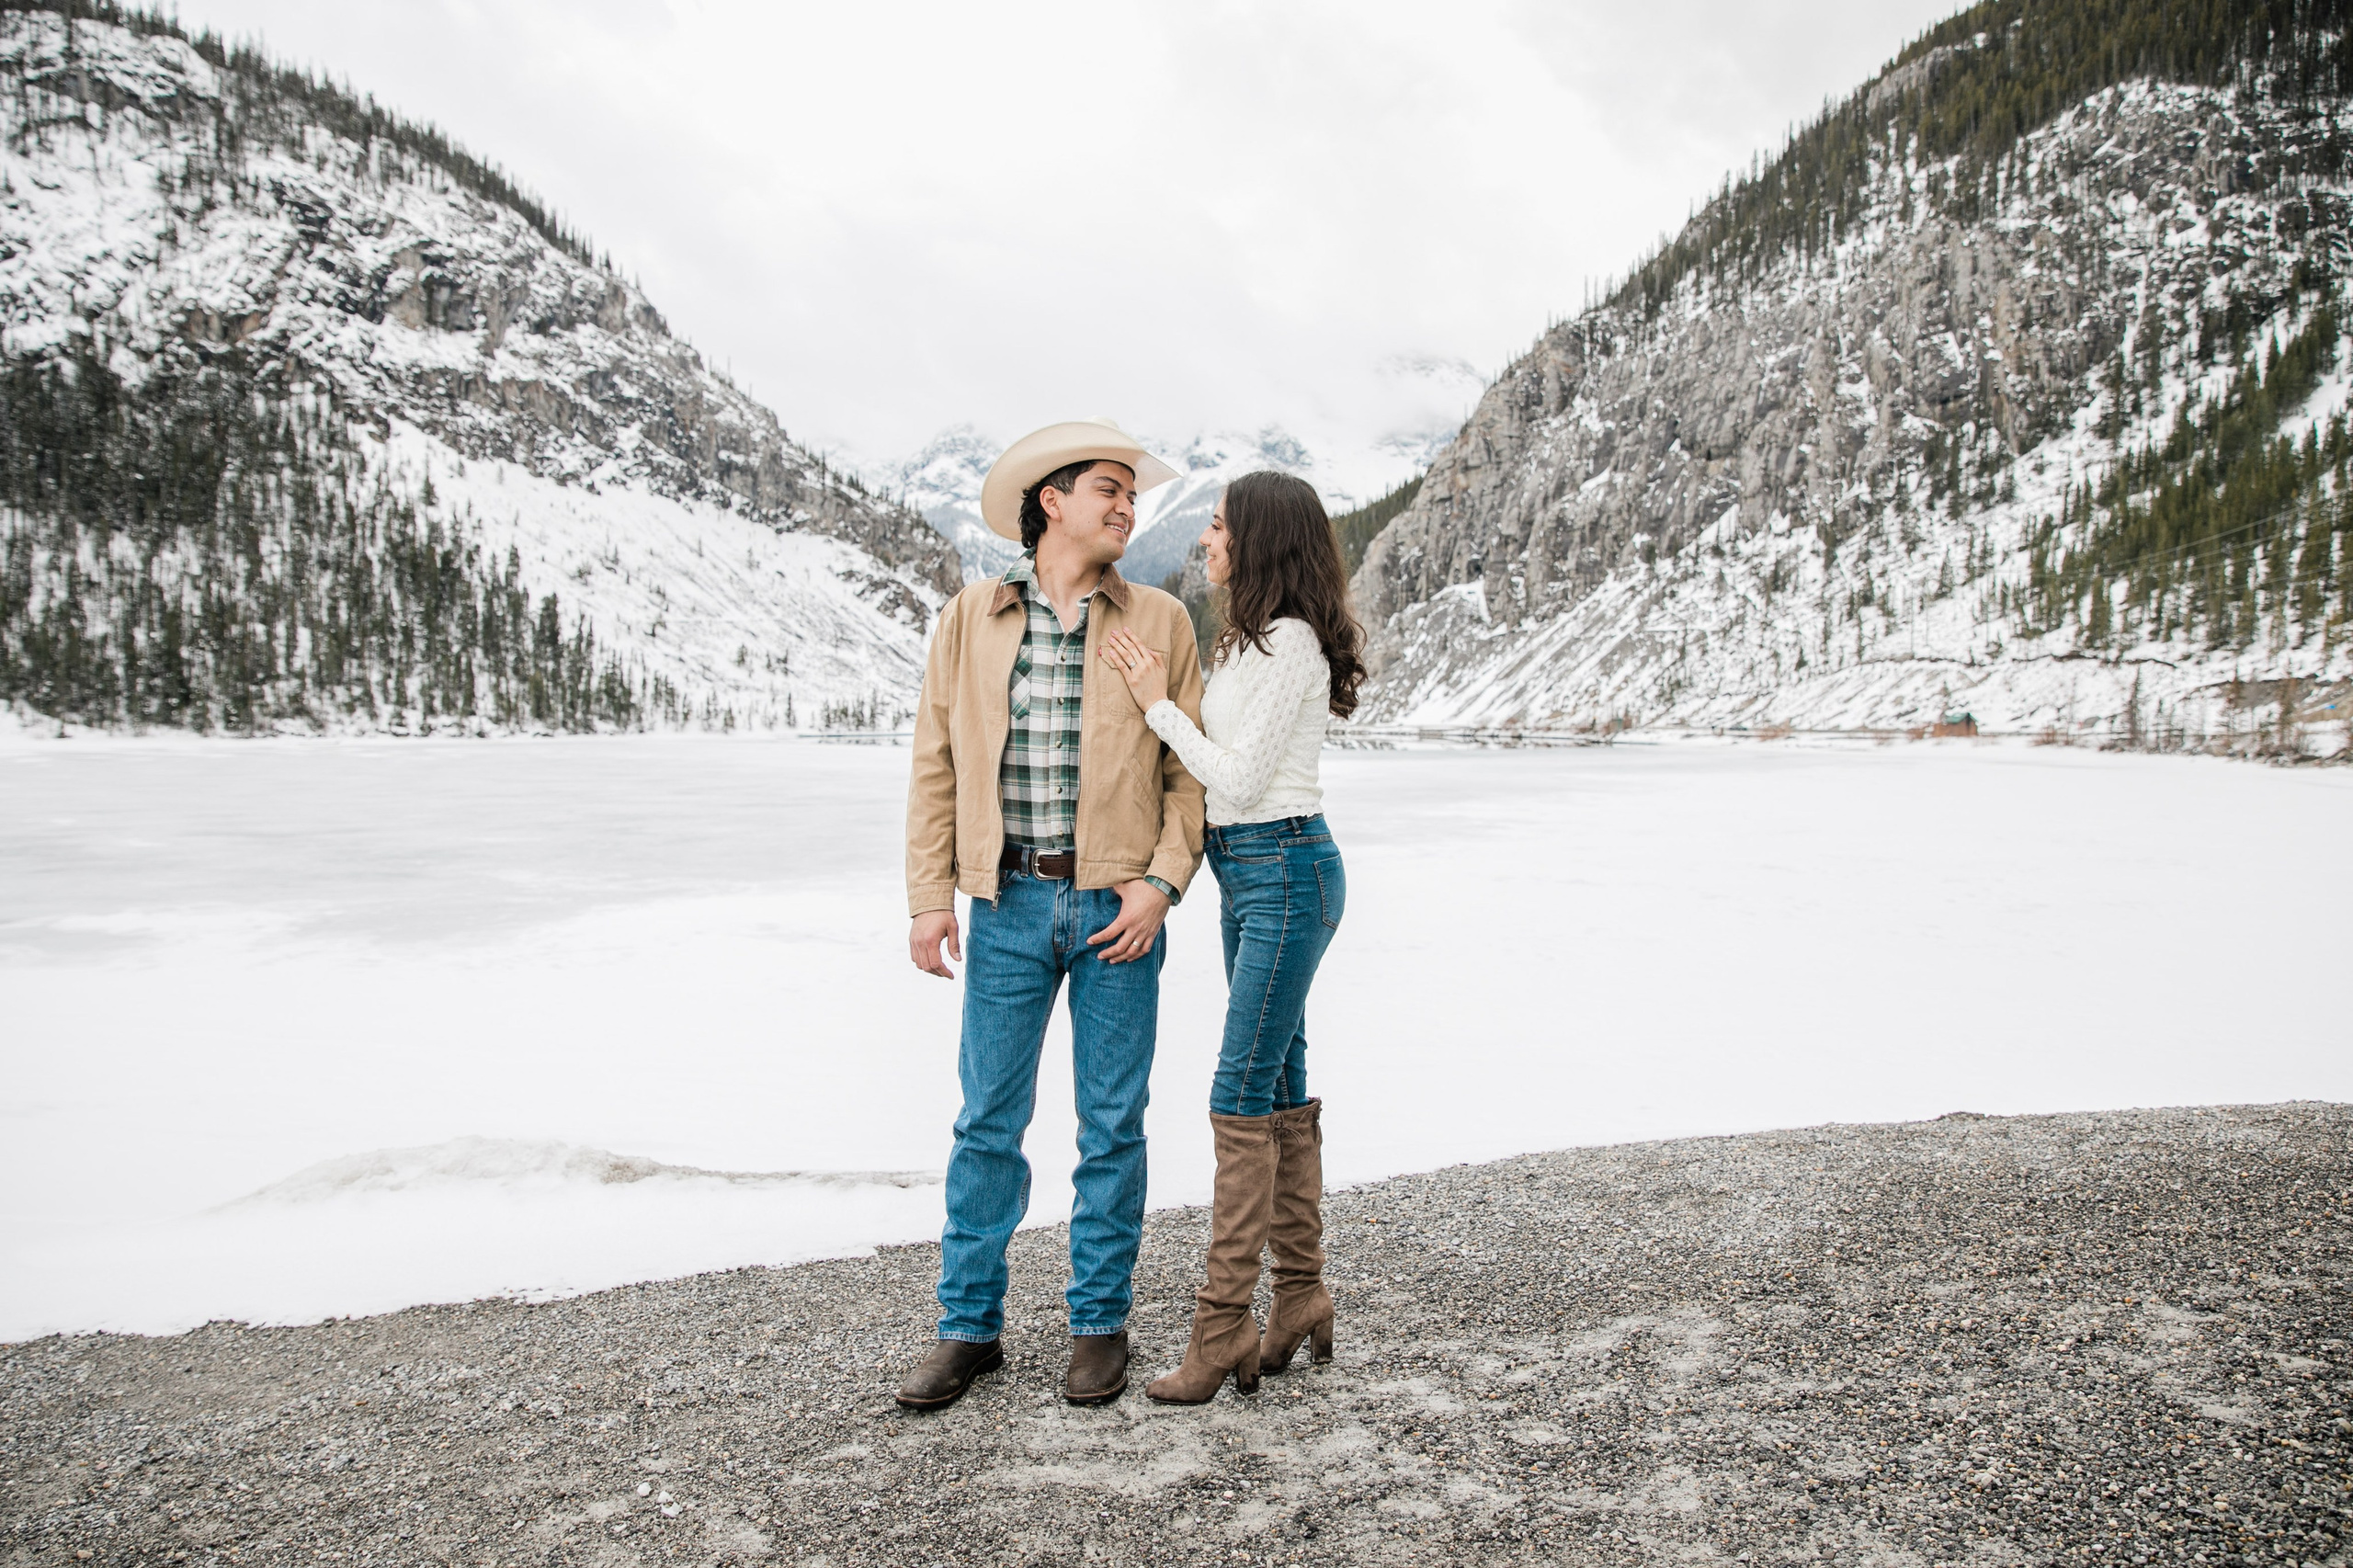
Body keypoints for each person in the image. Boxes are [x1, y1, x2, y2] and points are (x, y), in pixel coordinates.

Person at [897, 418, 1208, 1411]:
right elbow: (935, 762)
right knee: (988, 1120)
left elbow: (1188, 773)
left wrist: (1160, 884)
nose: (1126, 506)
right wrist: (926, 897)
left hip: (1119, 903)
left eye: (1131, 493)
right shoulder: (970, 618)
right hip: (1006, 902)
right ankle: (966, 1327)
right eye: (1108, 489)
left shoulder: (1160, 620)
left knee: (1112, 1122)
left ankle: (1097, 1323)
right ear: (1052, 501)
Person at [1097, 470, 1366, 1403]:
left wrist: (1153, 702)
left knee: (1239, 1087)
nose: (1205, 540)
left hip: (1287, 867)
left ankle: (1220, 1330)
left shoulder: (1290, 641)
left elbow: (1240, 778)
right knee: (1280, 1078)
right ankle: (1297, 1294)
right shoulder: (1248, 638)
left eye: (1217, 526)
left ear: (1258, 539)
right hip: (1251, 876)